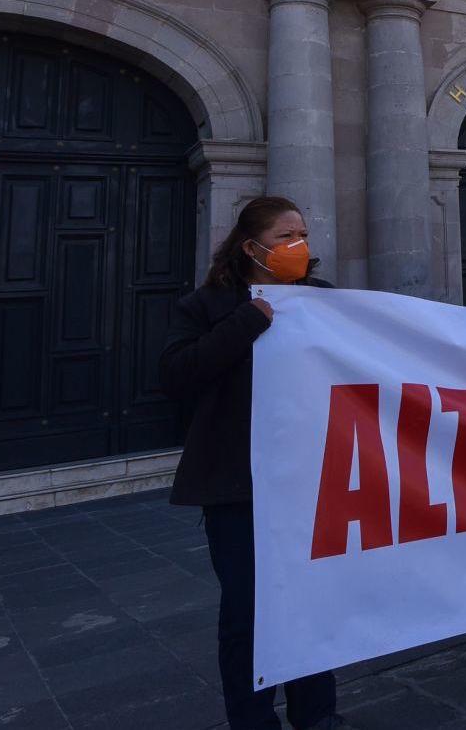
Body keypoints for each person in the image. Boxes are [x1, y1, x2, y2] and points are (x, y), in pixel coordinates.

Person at [160, 197, 344, 730]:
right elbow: (176, 375)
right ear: (251, 248)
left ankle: (317, 713)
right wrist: (248, 320)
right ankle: (253, 720)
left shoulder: (320, 300)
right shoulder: (207, 305)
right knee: (246, 610)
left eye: (303, 235)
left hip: (309, 476)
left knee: (309, 601)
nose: (300, 246)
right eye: (286, 237)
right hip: (236, 483)